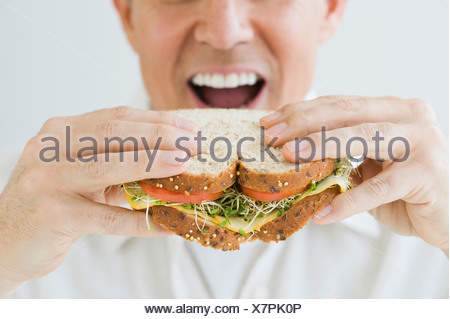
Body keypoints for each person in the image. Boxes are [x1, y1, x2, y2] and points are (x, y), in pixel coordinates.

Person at [0, 0, 448, 298]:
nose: (224, 31)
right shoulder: (23, 203)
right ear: (128, 14)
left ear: (329, 9)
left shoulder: (428, 207)